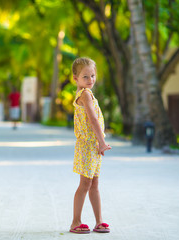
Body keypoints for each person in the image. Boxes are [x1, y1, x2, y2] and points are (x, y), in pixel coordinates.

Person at [70, 57, 112, 234]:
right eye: (85, 76)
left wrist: (99, 143)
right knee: (85, 184)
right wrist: (102, 142)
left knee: (94, 184)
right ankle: (75, 221)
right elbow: (93, 119)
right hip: (88, 145)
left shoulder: (88, 94)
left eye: (92, 76)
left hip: (92, 146)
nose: (90, 80)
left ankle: (99, 221)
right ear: (76, 79)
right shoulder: (85, 94)